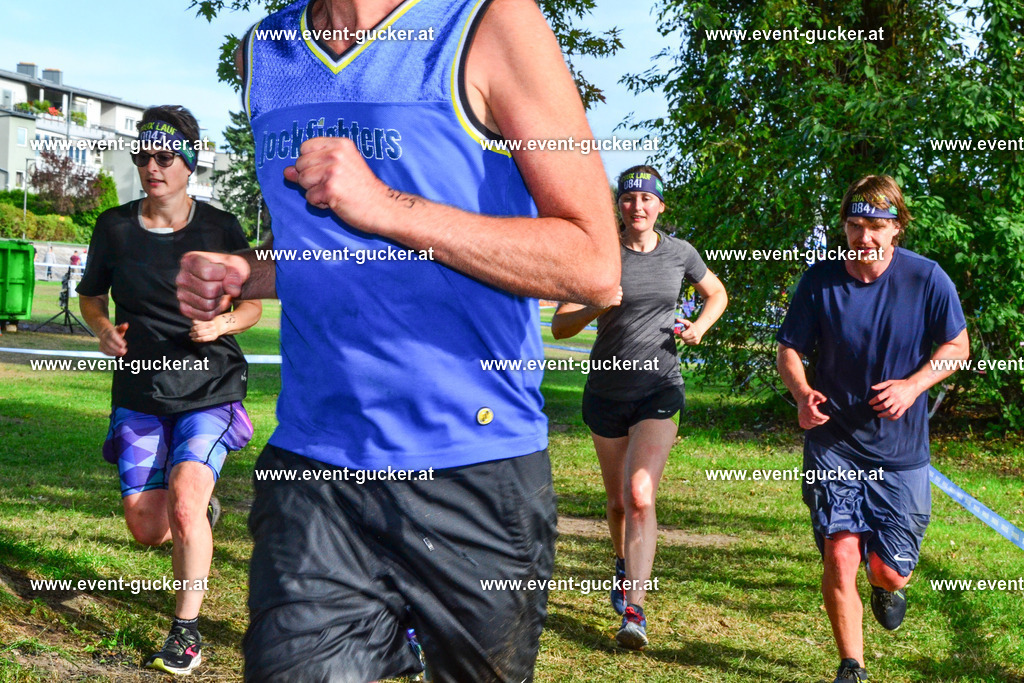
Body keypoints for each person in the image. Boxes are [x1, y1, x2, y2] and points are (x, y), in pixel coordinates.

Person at [175, 0, 620, 680]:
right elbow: (336, 251)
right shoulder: (265, 51)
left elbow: (594, 267)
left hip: (472, 466)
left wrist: (385, 205)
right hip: (315, 466)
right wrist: (253, 272)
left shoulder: (490, 21)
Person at [78, 105, 263, 676]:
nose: (151, 166)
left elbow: (254, 303)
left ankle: (186, 631)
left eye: (164, 157)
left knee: (184, 500)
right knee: (146, 526)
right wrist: (104, 329)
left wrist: (224, 324)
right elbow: (91, 297)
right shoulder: (113, 226)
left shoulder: (220, 227)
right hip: (140, 391)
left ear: (189, 164)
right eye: (143, 156)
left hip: (209, 384)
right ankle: (198, 513)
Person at [776, 175, 969, 683]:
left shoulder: (927, 279)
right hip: (833, 442)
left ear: (897, 228)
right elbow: (789, 349)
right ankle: (851, 667)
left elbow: (957, 349)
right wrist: (802, 394)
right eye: (855, 225)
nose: (865, 237)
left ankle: (888, 586)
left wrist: (912, 386)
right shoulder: (819, 281)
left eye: (877, 226)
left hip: (900, 453)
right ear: (844, 226)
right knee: (841, 554)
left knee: (890, 568)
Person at [551, 165, 728, 649]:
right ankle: (622, 564)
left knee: (640, 496)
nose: (638, 206)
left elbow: (716, 294)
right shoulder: (599, 254)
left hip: (659, 389)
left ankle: (635, 608)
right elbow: (560, 328)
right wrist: (598, 302)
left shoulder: (680, 253)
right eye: (629, 198)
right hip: (606, 394)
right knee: (616, 505)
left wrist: (699, 328)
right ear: (620, 207)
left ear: (661, 206)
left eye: (647, 199)